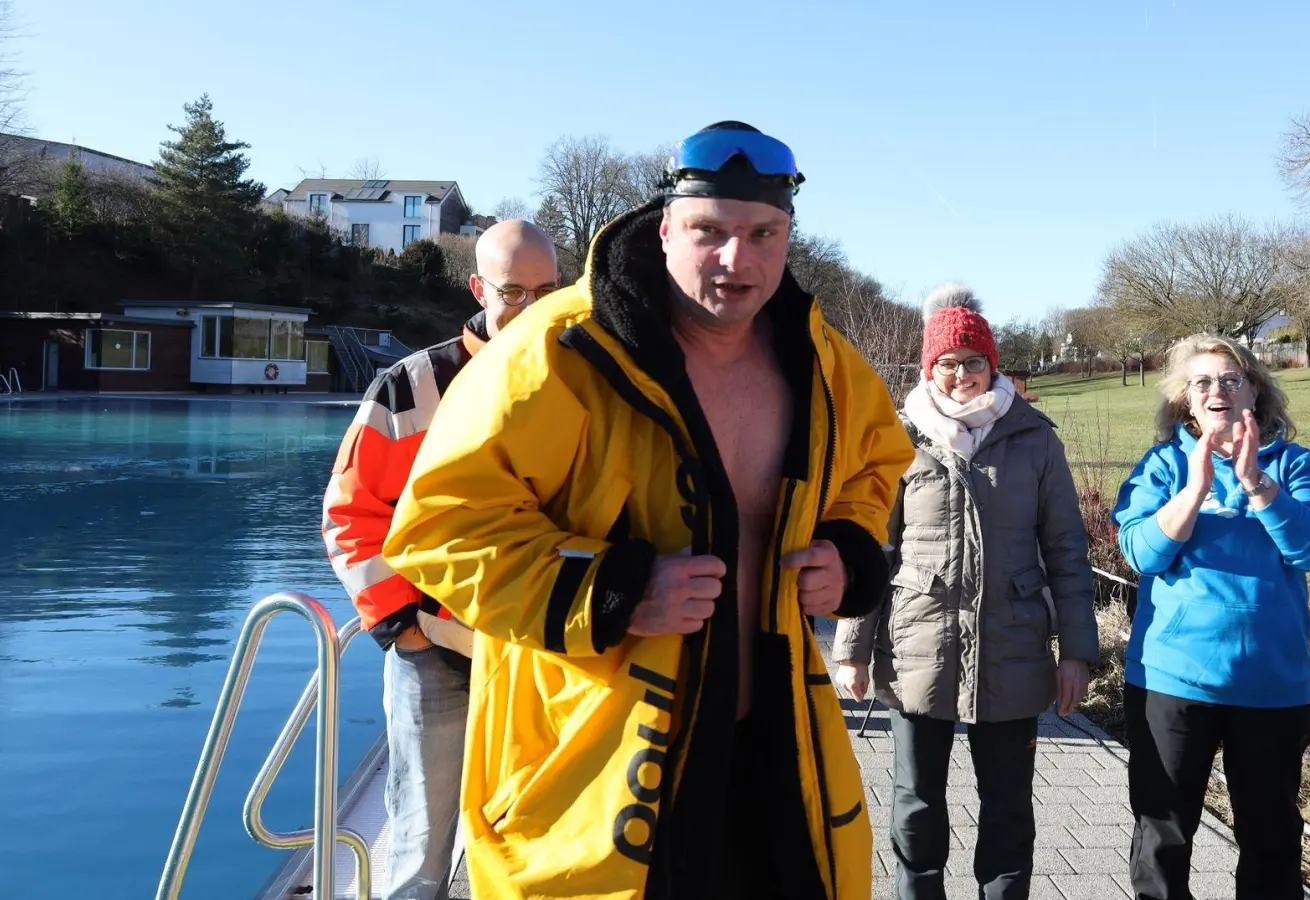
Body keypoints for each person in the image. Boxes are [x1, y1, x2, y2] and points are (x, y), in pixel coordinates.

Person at [382, 122, 916, 899]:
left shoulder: (822, 361)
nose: (738, 260)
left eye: (764, 234)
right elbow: (442, 526)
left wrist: (847, 549)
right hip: (600, 766)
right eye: (711, 232)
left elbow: (875, 467)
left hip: (774, 755)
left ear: (788, 236)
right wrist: (615, 589)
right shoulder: (557, 352)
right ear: (666, 227)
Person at [832, 284, 1099, 900]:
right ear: (929, 368)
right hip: (917, 643)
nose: (960, 375)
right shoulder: (899, 440)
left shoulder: (1035, 440)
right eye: (946, 363)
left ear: (992, 365)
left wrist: (1077, 653)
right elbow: (872, 546)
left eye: (972, 362)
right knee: (915, 802)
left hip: (1014, 647)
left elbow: (1066, 550)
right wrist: (851, 646)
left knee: (1007, 807)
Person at [321, 220, 560, 900]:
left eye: (548, 290)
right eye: (514, 291)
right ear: (479, 287)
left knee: (538, 848)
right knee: (422, 854)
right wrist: (405, 627)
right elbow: (350, 514)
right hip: (439, 653)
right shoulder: (411, 388)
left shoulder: (583, 381)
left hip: (548, 658)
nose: (532, 307)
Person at [1112, 333, 1310, 900]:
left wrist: (1257, 485)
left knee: (1271, 844)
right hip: (1173, 679)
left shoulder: (1291, 464)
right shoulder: (1163, 465)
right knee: (1162, 838)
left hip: (1271, 685)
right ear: (1185, 401)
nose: (1218, 390)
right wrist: (1193, 491)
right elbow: (1140, 552)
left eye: (1232, 379)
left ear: (1255, 391)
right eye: (1203, 382)